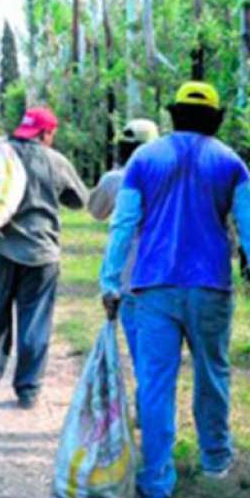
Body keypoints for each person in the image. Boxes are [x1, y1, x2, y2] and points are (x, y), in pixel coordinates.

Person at [98, 82, 250, 498]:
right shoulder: (231, 162)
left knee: (155, 384)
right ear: (215, 118)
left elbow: (123, 225)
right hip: (210, 287)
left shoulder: (144, 158)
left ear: (175, 115)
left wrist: (109, 281)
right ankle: (216, 460)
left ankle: (156, 486)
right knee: (212, 374)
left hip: (153, 288)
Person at [0, 107, 88, 409]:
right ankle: (28, 387)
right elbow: (79, 200)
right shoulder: (55, 161)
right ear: (46, 133)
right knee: (34, 318)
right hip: (40, 253)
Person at [88, 118, 160, 367]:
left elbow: (96, 211)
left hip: (128, 278)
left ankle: (147, 400)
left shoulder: (114, 180)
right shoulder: (168, 177)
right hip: (165, 276)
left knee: (140, 352)